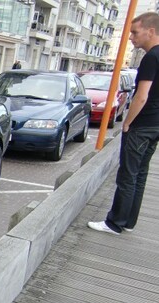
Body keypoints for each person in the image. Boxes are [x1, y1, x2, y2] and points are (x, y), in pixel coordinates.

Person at [88, 12, 159, 235]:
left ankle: (114, 223)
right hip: (156, 125)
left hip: (142, 125)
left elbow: (142, 95)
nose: (131, 38)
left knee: (127, 174)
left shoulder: (151, 57)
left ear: (151, 31)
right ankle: (128, 221)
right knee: (140, 173)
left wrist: (127, 122)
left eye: (135, 33)